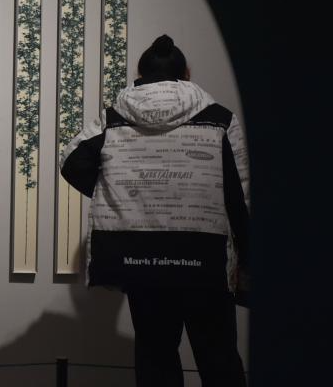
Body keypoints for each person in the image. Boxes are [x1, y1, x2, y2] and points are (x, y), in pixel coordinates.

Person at [60, 35, 249, 387]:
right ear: (186, 74)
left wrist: (115, 192)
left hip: (140, 258)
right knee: (219, 359)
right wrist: (248, 256)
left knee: (155, 359)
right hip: (205, 257)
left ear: (140, 73)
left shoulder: (114, 118)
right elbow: (240, 193)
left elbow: (72, 162)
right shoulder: (220, 119)